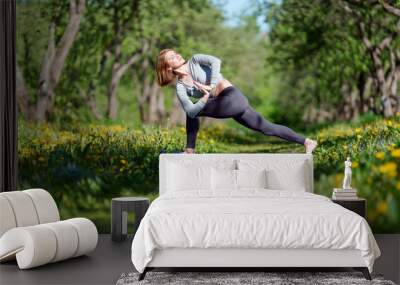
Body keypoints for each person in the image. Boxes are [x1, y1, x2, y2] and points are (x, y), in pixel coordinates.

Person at [155, 49, 318, 154]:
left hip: (232, 98)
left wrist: (210, 86)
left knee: (266, 128)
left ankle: (190, 149)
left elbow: (216, 61)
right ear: (168, 68)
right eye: (172, 56)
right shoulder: (181, 87)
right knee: (266, 128)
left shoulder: (195, 60)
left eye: (175, 53)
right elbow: (190, 110)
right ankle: (307, 142)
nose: (177, 54)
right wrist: (205, 97)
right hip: (224, 103)